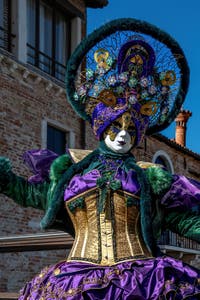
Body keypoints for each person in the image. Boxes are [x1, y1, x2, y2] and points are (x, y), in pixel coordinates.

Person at [0, 18, 200, 300]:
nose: (123, 137)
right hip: (77, 276)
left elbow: (181, 221)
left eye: (131, 132)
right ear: (102, 129)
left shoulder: (150, 177)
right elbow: (36, 195)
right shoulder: (72, 172)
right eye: (116, 129)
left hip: (141, 277)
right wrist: (5, 180)